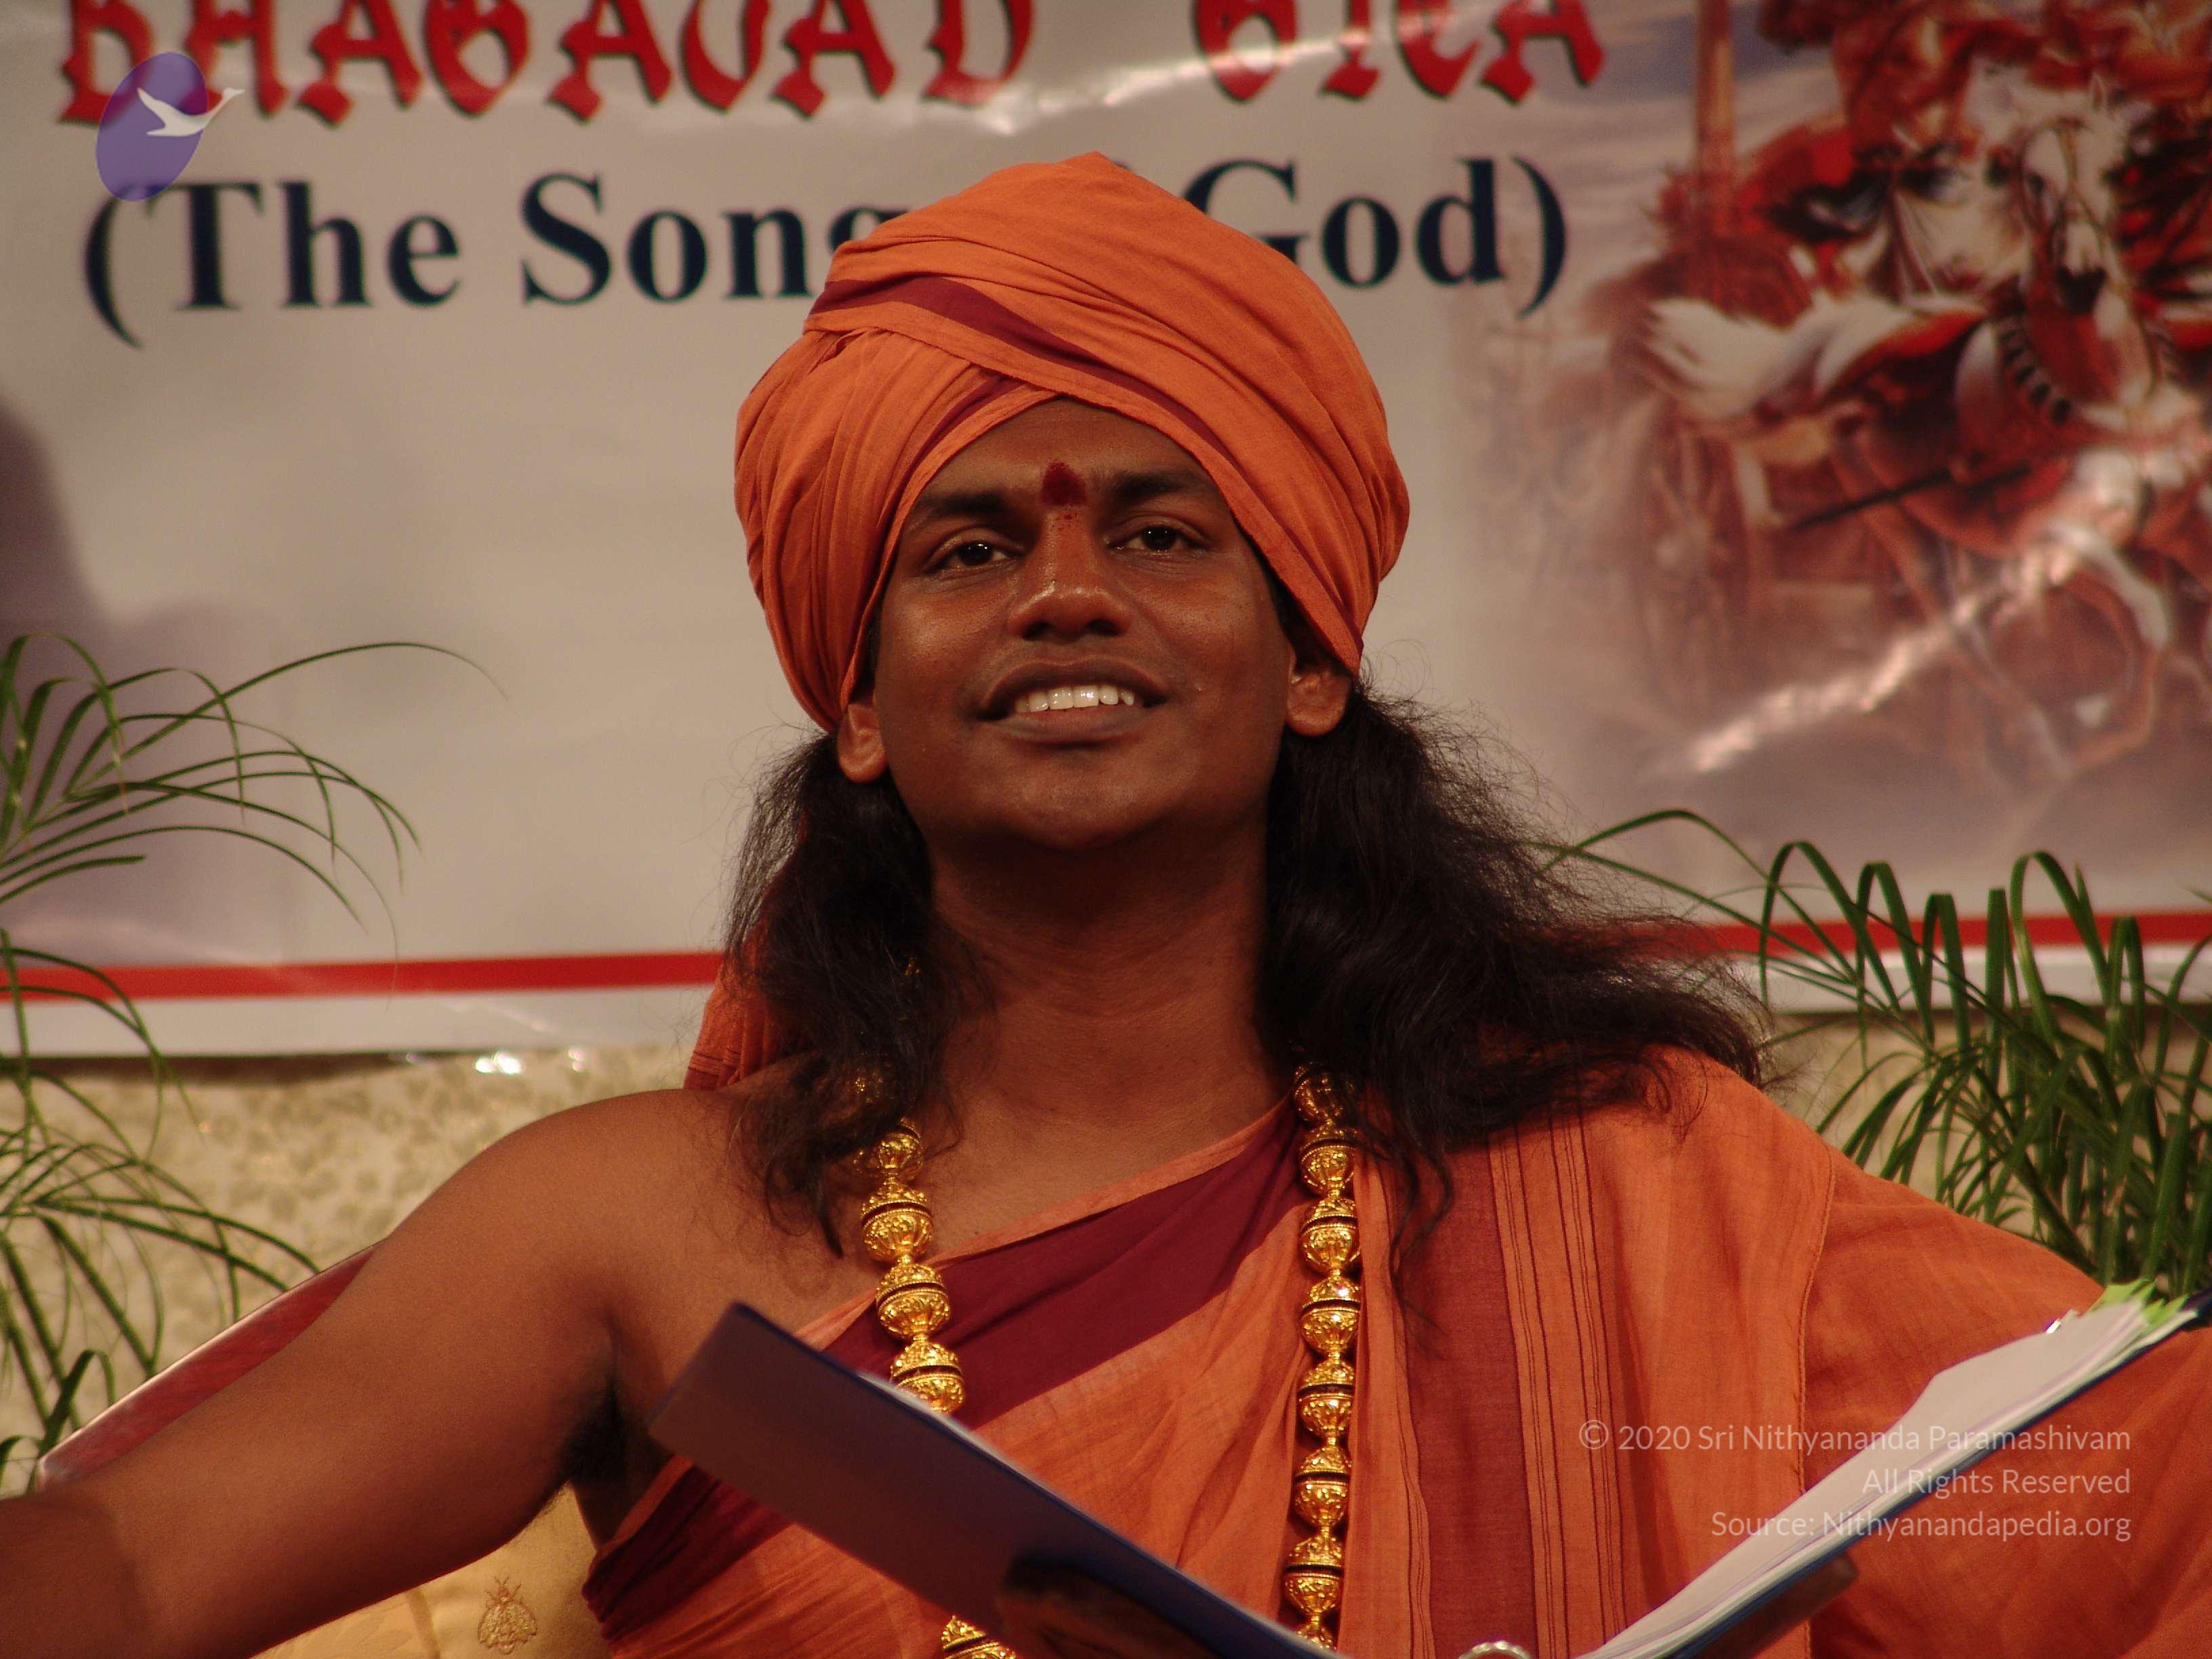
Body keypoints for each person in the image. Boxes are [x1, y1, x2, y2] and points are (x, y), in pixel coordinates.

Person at [3, 151, 2209, 1659]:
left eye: (1160, 533)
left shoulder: (1632, 1175)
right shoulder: (632, 1225)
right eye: (969, 547)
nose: (1067, 589)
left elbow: (2128, 1506)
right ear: (859, 698)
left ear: (1310, 654)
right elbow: (134, 1564)